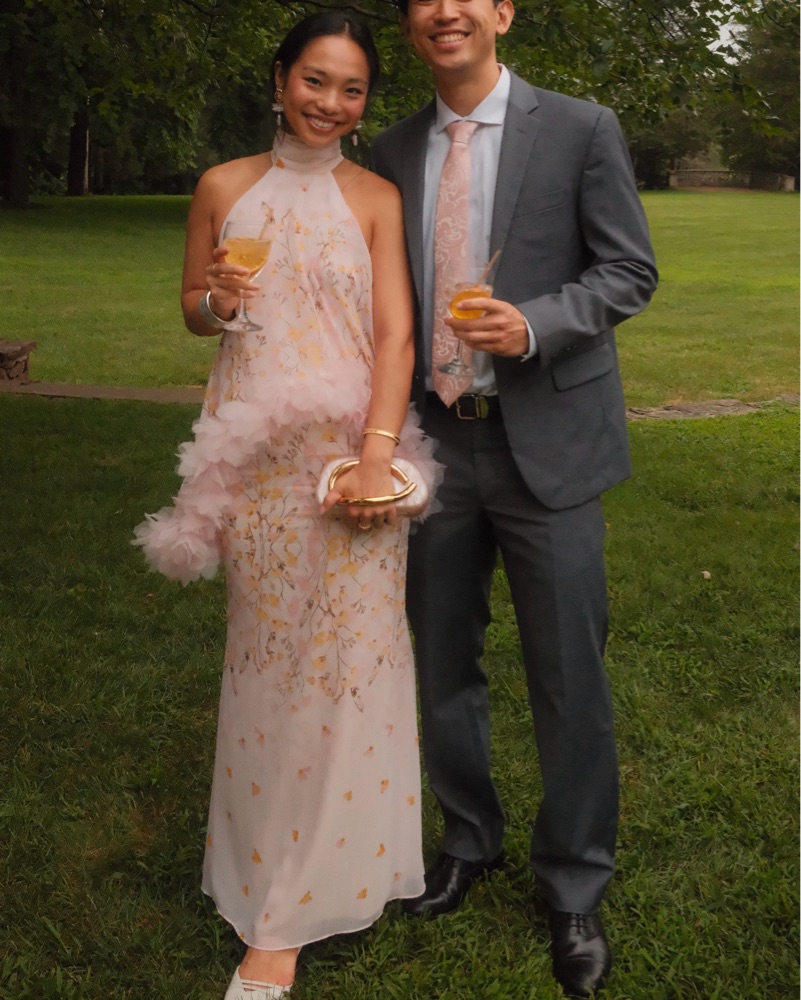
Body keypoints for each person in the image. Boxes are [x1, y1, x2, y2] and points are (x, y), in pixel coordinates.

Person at [134, 13, 440, 999]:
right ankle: (266, 882)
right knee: (270, 664)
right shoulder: (223, 187)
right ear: (279, 78)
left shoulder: (378, 197)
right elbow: (194, 311)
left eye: (352, 90)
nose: (331, 104)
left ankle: (321, 893)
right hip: (260, 470)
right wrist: (219, 300)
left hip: (351, 461)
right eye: (315, 80)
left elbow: (395, 337)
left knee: (350, 662)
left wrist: (374, 459)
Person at [371, 0, 657, 996]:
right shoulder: (391, 147)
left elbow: (629, 270)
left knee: (569, 675)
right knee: (441, 660)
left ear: (502, 12)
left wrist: (534, 324)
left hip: (552, 447)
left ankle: (574, 883)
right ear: (411, 23)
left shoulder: (580, 127)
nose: (444, 10)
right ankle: (467, 839)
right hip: (436, 445)